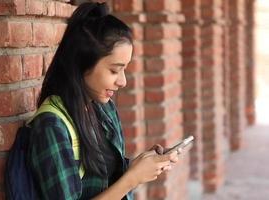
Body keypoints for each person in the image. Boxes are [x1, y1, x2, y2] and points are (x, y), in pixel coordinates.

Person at [26, 2, 179, 199]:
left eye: (125, 69)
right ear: (82, 65)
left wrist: (141, 167)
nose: (123, 81)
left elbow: (105, 181)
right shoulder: (51, 126)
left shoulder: (103, 108)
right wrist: (132, 178)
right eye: (114, 70)